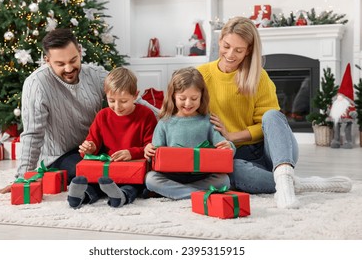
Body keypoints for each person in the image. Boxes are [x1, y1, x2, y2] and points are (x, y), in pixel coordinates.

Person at [197, 16, 352, 209]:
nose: (230, 54)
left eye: (238, 50)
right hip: (235, 155)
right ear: (220, 41)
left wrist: (232, 135)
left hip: (273, 150)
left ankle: (284, 176)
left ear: (249, 51)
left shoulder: (258, 77)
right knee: (228, 171)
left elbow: (271, 125)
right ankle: (294, 184)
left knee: (271, 115)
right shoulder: (201, 75)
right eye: (226, 46)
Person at [0, 28, 108, 194]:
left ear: (80, 51)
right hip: (59, 155)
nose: (69, 68)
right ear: (47, 60)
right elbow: (33, 134)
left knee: (122, 165)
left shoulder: (97, 75)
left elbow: (132, 100)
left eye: (73, 60)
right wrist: (21, 178)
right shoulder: (36, 84)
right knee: (92, 172)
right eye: (60, 64)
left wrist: (161, 116)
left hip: (94, 148)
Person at [68, 67, 158, 209]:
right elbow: (92, 144)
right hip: (107, 170)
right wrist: (89, 148)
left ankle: (121, 196)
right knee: (95, 183)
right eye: (111, 100)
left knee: (135, 185)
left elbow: (151, 147)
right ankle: (81, 196)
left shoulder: (146, 115)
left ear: (135, 95)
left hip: (133, 169)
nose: (117, 107)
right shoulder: (103, 116)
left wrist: (132, 153)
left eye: (123, 101)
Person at [144, 67, 234, 200]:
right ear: (173, 96)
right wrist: (149, 151)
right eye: (182, 98)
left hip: (201, 176)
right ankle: (197, 195)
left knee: (223, 180)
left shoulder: (208, 121)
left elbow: (225, 149)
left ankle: (180, 193)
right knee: (150, 179)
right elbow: (155, 157)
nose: (188, 103)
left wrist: (229, 147)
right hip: (171, 176)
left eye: (194, 98)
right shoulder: (164, 123)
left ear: (201, 96)